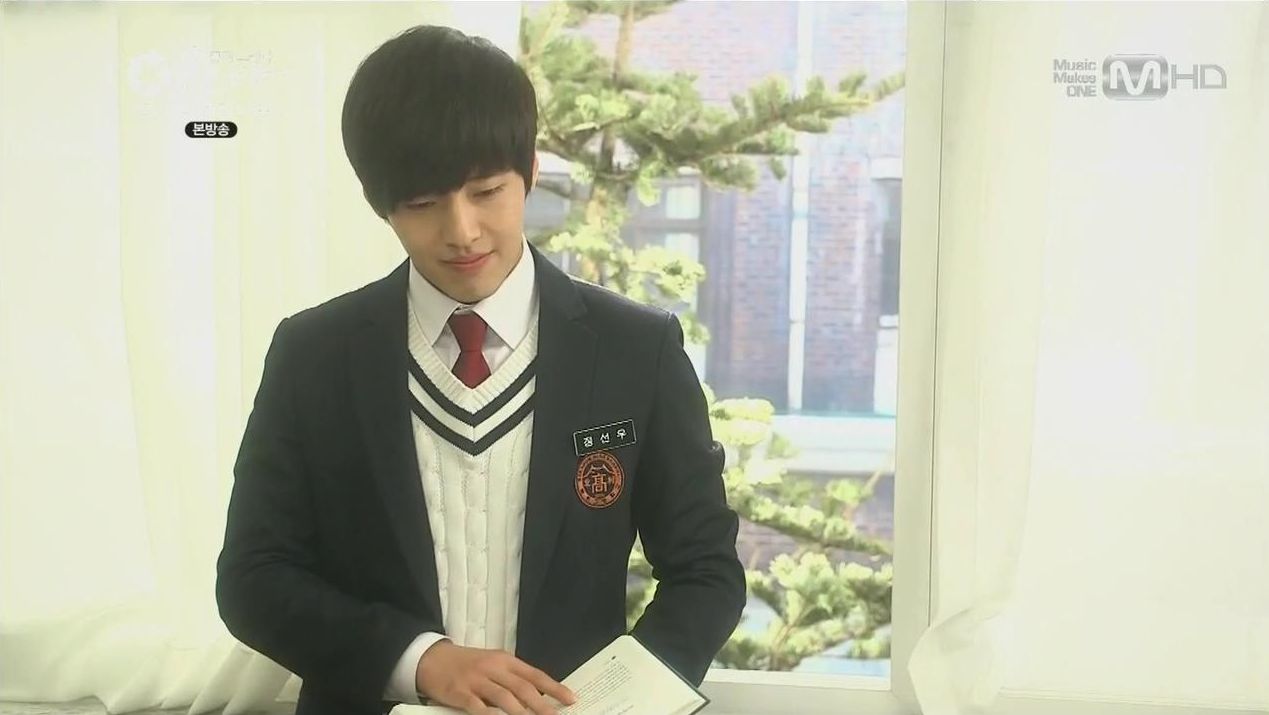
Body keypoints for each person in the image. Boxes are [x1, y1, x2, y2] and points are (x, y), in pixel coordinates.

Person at [215, 24, 745, 715]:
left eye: (486, 191)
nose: (461, 231)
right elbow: (253, 578)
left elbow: (705, 572)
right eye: (422, 204)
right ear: (379, 202)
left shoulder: (635, 350)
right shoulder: (314, 355)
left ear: (530, 170)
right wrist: (419, 660)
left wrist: (613, 704)